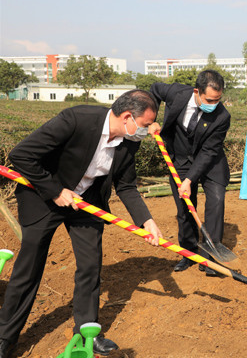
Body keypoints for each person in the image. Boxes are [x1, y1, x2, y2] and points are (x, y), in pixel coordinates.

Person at [0, 89, 163, 358]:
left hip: (86, 202)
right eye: (144, 126)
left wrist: (146, 220)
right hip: (43, 195)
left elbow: (126, 186)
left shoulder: (127, 141)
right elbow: (21, 154)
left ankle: (88, 331)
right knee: (29, 268)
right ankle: (6, 336)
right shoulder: (76, 119)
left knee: (90, 265)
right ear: (126, 117)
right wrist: (55, 191)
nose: (146, 132)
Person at [149, 70, 230, 275]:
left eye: (218, 100)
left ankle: (210, 258)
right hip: (180, 158)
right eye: (210, 99)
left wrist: (189, 179)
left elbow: (209, 151)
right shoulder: (176, 93)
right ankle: (188, 253)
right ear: (197, 91)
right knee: (184, 207)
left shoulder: (222, 116)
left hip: (210, 162)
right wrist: (152, 119)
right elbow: (154, 90)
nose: (214, 104)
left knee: (217, 201)